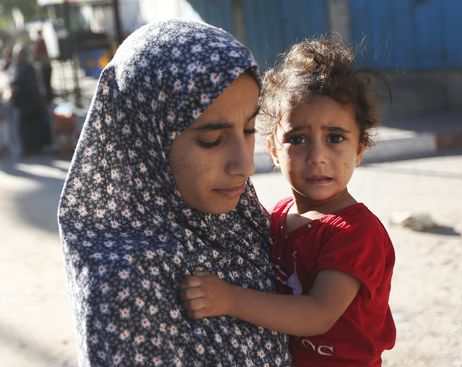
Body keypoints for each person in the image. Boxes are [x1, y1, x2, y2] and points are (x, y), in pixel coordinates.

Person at [58, 20, 291, 366]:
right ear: (147, 140)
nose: (245, 165)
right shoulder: (126, 282)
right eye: (212, 139)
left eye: (247, 129)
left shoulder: (241, 220)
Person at [182, 37, 396, 366]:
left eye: (335, 138)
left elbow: (317, 314)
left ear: (361, 149)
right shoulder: (280, 215)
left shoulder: (356, 233)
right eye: (297, 139)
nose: (317, 157)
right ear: (273, 151)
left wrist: (229, 299)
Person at [9, 44, 48, 155]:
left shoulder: (28, 67)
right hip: (21, 104)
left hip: (30, 103)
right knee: (24, 128)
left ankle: (35, 147)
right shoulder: (15, 67)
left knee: (33, 127)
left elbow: (32, 86)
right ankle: (28, 148)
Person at [32, 29, 53, 102]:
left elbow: (36, 54)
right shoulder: (40, 42)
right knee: (46, 84)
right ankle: (49, 97)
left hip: (45, 66)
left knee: (46, 83)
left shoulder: (39, 42)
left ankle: (49, 98)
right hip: (45, 65)